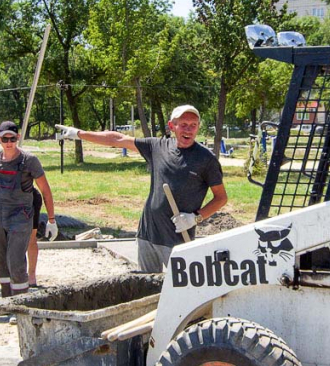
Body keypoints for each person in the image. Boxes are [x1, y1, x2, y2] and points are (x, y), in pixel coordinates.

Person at [56, 105, 227, 273]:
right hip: (148, 234)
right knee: (148, 286)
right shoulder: (157, 147)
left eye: (193, 125)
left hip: (177, 238)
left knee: (183, 289)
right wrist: (79, 134)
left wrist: (195, 218)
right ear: (172, 126)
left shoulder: (206, 159)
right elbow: (116, 139)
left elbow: (221, 198)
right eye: (183, 125)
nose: (188, 130)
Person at [0, 121, 57, 297]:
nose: (9, 143)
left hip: (20, 216)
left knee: (15, 261)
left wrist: (51, 220)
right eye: (5, 138)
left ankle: (21, 304)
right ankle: (7, 301)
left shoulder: (29, 161)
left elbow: (45, 190)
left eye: (12, 138)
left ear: (18, 138)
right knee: (1, 261)